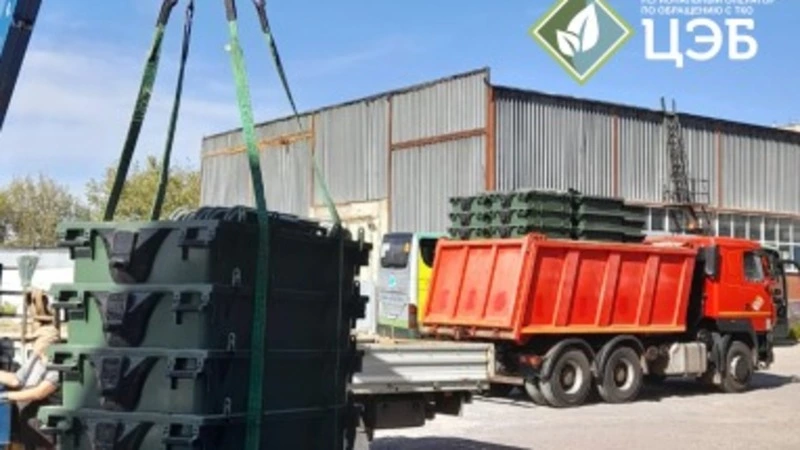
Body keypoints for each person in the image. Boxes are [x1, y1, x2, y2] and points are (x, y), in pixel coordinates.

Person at [0, 326, 61, 449]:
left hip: (45, 425)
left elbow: (39, 393)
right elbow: (16, 380)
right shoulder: (35, 358)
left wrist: (6, 396)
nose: (33, 344)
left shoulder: (57, 365)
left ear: (46, 342)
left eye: (35, 340)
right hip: (28, 421)